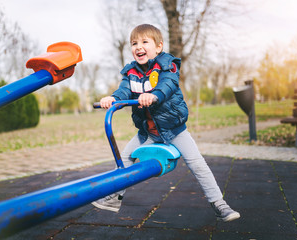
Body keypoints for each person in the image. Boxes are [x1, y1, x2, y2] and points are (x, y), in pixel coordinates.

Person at [92, 24, 240, 222]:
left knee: (197, 163)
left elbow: (167, 85)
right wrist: (112, 98)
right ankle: (115, 197)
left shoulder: (167, 65)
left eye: (145, 42)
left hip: (174, 130)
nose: (138, 47)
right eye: (134, 43)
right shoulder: (131, 73)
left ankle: (219, 203)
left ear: (158, 47)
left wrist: (153, 96)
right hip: (148, 132)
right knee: (124, 158)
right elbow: (124, 90)